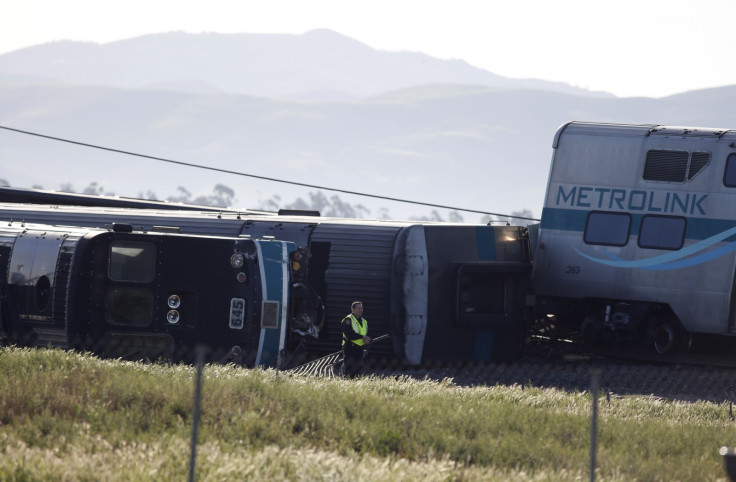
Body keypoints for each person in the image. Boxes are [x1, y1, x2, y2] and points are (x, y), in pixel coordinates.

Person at [341, 301, 371, 378]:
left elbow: (368, 334)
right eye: (358, 308)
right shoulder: (347, 320)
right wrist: (363, 337)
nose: (360, 310)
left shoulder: (364, 321)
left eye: (361, 308)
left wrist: (368, 339)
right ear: (352, 309)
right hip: (350, 349)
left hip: (360, 350)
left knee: (358, 374)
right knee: (349, 373)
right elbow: (350, 334)